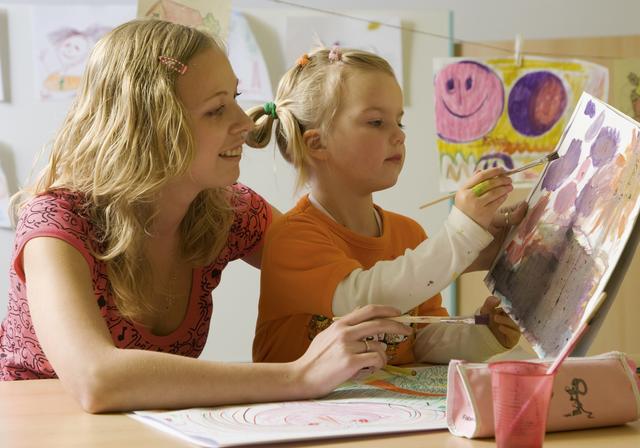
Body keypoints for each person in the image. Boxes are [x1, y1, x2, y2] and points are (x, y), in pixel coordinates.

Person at [0, 20, 413, 413]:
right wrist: (297, 377)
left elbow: (353, 280)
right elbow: (96, 379)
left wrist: (470, 245)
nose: (244, 124)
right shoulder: (56, 224)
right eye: (217, 110)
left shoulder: (230, 212)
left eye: (235, 98)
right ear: (153, 127)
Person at [248, 47, 526, 365]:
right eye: (377, 122)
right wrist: (461, 234)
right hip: (297, 411)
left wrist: (484, 335)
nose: (398, 136)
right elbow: (367, 299)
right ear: (317, 143)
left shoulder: (408, 234)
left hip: (386, 410)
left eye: (399, 122)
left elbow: (421, 339)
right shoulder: (292, 237)